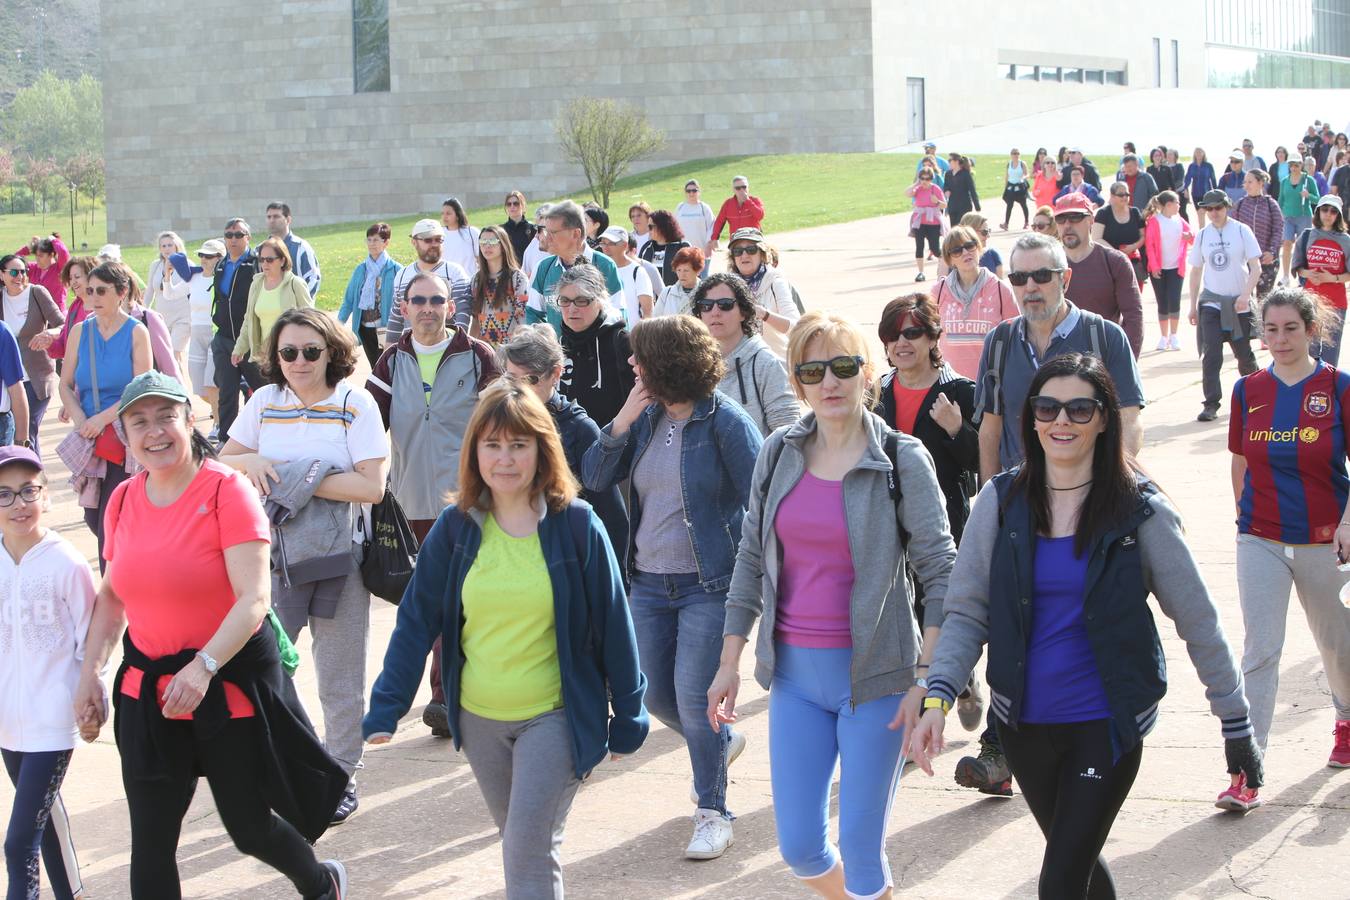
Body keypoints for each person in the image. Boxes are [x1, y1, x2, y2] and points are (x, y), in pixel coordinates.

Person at [908, 352, 1262, 897]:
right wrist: (938, 694)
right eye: (1047, 408)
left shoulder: (1140, 511)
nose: (1061, 421)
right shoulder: (999, 503)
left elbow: (1198, 621)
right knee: (1080, 867)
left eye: (1079, 408)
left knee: (1059, 881)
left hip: (1107, 726)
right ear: (1031, 418)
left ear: (1103, 418)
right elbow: (966, 611)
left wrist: (1235, 723)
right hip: (1024, 726)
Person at [365, 377, 648, 899]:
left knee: (525, 850)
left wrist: (629, 713)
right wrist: (388, 702)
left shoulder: (577, 526)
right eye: (492, 444)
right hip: (478, 719)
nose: (505, 458)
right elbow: (416, 620)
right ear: (474, 451)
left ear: (542, 450)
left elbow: (613, 623)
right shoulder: (455, 528)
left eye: (519, 444)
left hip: (554, 714)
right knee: (527, 846)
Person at [73, 370, 350, 900]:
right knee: (151, 839)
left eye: (165, 417)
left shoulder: (227, 490)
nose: (154, 432)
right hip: (150, 690)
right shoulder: (123, 500)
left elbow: (253, 599)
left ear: (188, 420)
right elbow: (112, 595)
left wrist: (202, 667)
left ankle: (321, 882)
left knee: (249, 828)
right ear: (124, 436)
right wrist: (91, 672)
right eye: (139, 422)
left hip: (225, 686)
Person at [706, 310, 955, 899]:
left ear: (866, 372)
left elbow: (942, 574)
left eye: (844, 366)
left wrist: (931, 679)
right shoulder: (778, 452)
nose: (830, 382)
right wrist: (728, 662)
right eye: (813, 370)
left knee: (864, 856)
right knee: (798, 846)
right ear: (797, 382)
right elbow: (748, 558)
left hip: (878, 680)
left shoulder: (901, 457)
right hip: (794, 677)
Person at [583, 314, 763, 861]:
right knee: (653, 694)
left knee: (693, 696)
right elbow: (592, 476)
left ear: (668, 362)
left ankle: (713, 811)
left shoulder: (726, 423)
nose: (631, 365)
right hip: (647, 583)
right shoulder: (643, 417)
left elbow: (764, 498)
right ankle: (718, 745)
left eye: (640, 358)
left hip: (709, 584)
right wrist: (620, 421)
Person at [221, 307, 389, 826]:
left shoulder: (354, 403)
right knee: (264, 666)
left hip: (341, 561)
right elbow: (223, 462)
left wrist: (299, 477)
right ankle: (293, 759)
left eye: (310, 351)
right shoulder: (264, 403)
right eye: (287, 351)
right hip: (274, 560)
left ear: (331, 353)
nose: (298, 361)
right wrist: (249, 463)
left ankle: (340, 775)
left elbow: (371, 486)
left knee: (340, 679)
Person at [366, 271, 499, 737]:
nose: (427, 308)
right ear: (404, 307)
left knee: (458, 601)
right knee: (420, 605)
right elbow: (365, 428)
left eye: (436, 300)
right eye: (418, 300)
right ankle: (424, 693)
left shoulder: (477, 356)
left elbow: (500, 424)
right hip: (407, 505)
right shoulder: (390, 361)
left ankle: (445, 696)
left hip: (465, 503)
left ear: (450, 306)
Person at [1229, 287, 1350, 791]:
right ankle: (1247, 768)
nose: (1280, 339)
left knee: (1336, 647)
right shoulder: (1247, 390)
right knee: (1261, 651)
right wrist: (1245, 519)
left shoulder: (1339, 388)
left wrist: (1347, 524)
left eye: (1291, 329)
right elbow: (1239, 463)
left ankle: (1345, 719)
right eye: (1271, 329)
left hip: (1328, 540)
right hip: (1260, 537)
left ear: (1312, 330)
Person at [0, 444, 94, 900]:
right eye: (4, 494)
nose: (18, 504)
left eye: (27, 492)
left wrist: (89, 696)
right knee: (44, 816)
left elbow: (92, 641)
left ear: (45, 494)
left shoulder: (66, 563)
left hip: (53, 724)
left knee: (19, 844)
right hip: (8, 724)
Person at [497, 324, 630, 562]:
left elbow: (611, 516)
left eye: (531, 379)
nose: (519, 389)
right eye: (511, 378)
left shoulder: (579, 428)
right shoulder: (495, 422)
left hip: (567, 558)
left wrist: (614, 584)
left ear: (556, 374)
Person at [58, 261, 152, 566]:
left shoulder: (137, 332)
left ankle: (113, 596)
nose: (93, 297)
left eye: (101, 291)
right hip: (91, 441)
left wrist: (103, 419)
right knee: (93, 515)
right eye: (89, 291)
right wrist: (82, 421)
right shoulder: (79, 331)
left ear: (121, 292)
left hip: (125, 439)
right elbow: (65, 385)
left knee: (110, 520)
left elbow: (141, 388)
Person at [877, 294, 979, 541]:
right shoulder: (876, 392)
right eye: (893, 335)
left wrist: (957, 429)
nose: (901, 342)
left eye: (912, 334)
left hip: (944, 527)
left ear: (933, 338)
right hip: (887, 525)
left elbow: (984, 463)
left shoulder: (963, 392)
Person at [690, 272, 799, 436]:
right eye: (706, 305)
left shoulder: (767, 364)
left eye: (725, 304)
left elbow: (789, 434)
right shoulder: (694, 364)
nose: (715, 312)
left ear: (744, 312)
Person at [1188, 189, 1262, 422]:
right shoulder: (1202, 235)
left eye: (1217, 208)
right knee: (1212, 354)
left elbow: (1255, 267)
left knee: (1244, 355)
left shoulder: (1242, 230)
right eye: (1208, 209)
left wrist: (1245, 295)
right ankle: (1211, 402)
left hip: (1238, 303)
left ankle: (1257, 399)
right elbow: (1196, 270)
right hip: (1212, 302)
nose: (1213, 213)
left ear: (1226, 207)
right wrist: (1192, 306)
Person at [1055, 193, 1145, 358]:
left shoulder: (1115, 262)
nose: (1067, 224)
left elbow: (1133, 317)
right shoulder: (1048, 265)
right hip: (1058, 364)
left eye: (1075, 217)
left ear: (1091, 219)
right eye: (1061, 219)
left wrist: (1126, 362)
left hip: (1104, 359)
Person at [930, 226, 1017, 381]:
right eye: (957, 250)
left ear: (979, 247)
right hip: (950, 383)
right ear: (950, 259)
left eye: (970, 246)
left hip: (991, 383)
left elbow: (1016, 337)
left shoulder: (1000, 289)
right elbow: (928, 338)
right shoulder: (938, 291)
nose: (965, 253)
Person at [553, 264, 634, 429]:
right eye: (565, 301)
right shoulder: (556, 347)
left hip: (614, 447)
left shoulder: (623, 343)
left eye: (582, 300)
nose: (572, 309)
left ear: (599, 301)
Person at [525, 201, 623, 335]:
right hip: (556, 354)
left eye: (552, 232)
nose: (546, 238)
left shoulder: (605, 265)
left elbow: (618, 315)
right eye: (545, 232)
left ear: (576, 234)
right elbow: (533, 315)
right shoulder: (543, 267)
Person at [0, 253, 63, 456]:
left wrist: (48, 333)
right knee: (13, 433)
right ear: (2, 275)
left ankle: (33, 478)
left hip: (37, 376)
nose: (19, 276)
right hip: (9, 380)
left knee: (29, 431)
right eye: (13, 272)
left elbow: (62, 324)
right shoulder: (1, 298)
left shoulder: (37, 293)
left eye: (23, 272)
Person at [167, 240, 224, 434]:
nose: (204, 259)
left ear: (220, 258)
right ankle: (225, 405)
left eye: (209, 256)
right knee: (200, 387)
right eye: (201, 255)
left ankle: (219, 424)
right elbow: (170, 295)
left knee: (211, 383)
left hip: (216, 332)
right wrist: (167, 275)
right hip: (196, 332)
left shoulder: (224, 278)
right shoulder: (194, 278)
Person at [232, 238, 314, 370]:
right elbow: (249, 320)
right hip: (265, 356)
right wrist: (239, 348)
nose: (265, 264)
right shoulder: (256, 284)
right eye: (261, 259)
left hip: (290, 354)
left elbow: (311, 320)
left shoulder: (295, 284)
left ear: (282, 260)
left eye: (269, 259)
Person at [211, 217, 261, 437]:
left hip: (249, 339)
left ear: (248, 238)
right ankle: (226, 438)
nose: (233, 239)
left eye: (239, 235)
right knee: (227, 392)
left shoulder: (257, 262)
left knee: (262, 389)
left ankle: (266, 434)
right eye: (229, 235)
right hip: (223, 339)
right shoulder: (221, 265)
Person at [386, 219, 473, 341]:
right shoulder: (402, 275)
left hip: (447, 348)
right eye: (427, 240)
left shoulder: (455, 272)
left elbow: (463, 313)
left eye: (438, 239)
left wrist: (457, 344)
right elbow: (396, 318)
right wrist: (389, 348)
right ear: (414, 242)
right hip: (411, 351)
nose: (434, 244)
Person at [1292, 194, 1350, 367]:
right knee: (1310, 351)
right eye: (1324, 209)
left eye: (1333, 211)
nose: (1328, 214)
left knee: (1331, 355)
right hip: (1310, 301)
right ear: (1318, 212)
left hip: (1336, 303)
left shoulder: (1346, 240)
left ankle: (1329, 390)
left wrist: (1333, 278)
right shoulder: (1307, 236)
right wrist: (1308, 274)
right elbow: (1298, 268)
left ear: (1338, 215)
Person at [725, 228, 800, 359]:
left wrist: (765, 315)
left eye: (751, 250)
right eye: (738, 251)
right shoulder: (726, 285)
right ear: (733, 257)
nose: (744, 255)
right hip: (740, 364)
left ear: (762, 254)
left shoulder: (775, 282)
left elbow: (796, 327)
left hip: (775, 362)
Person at [337, 222, 401, 368]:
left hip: (387, 329)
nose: (371, 244)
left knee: (387, 367)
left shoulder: (396, 270)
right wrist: (337, 325)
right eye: (369, 239)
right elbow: (349, 300)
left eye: (376, 240)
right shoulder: (361, 270)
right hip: (365, 329)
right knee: (375, 367)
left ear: (386, 242)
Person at [1143, 191, 1194, 351]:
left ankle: (1174, 334)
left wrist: (1189, 235)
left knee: (1174, 300)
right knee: (1162, 302)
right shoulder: (1154, 221)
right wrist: (1154, 265)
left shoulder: (1179, 220)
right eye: (1177, 203)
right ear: (1168, 205)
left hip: (1176, 267)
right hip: (1159, 269)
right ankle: (1164, 336)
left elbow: (1193, 235)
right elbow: (1149, 245)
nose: (1179, 206)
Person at [468, 224, 531, 347]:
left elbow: (524, 317)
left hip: (513, 350)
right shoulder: (476, 280)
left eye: (492, 241)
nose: (487, 245)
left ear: (503, 245)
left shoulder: (517, 278)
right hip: (485, 352)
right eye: (483, 241)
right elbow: (475, 319)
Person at [1233, 169, 1285, 303]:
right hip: (1245, 261)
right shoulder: (1240, 204)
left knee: (1263, 301)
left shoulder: (1271, 204)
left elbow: (1278, 229)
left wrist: (1272, 252)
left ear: (1261, 183)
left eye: (1250, 182)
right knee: (1245, 300)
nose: (1246, 185)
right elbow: (1233, 230)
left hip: (1266, 261)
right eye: (1245, 182)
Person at [146, 231, 192, 378]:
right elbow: (149, 291)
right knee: (164, 357)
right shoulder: (155, 265)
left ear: (177, 246)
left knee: (174, 353)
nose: (167, 249)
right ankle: (172, 390)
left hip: (183, 318)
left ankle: (182, 393)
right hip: (162, 319)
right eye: (163, 246)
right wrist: (142, 310)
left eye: (170, 245)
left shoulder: (188, 264)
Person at [1092, 181, 1149, 290]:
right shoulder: (1103, 213)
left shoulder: (1135, 212)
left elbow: (1143, 235)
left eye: (1127, 194)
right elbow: (1096, 238)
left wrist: (1133, 247)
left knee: (1135, 295)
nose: (1124, 197)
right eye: (1121, 195)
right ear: (1112, 196)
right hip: (1110, 262)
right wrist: (1116, 253)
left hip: (1134, 262)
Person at [266, 202, 321, 299]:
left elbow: (313, 278)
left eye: (276, 217)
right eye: (269, 217)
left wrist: (300, 303)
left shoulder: (301, 247)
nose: (272, 220)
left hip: (296, 310)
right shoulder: (261, 249)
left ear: (288, 220)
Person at [600, 226, 654, 324]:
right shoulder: (598, 269)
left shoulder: (638, 272)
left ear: (625, 245)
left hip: (632, 335)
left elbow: (648, 311)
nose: (606, 248)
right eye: (603, 243)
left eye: (611, 243)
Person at [1279, 159, 1320, 284]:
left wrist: (1308, 195)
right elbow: (1281, 199)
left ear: (1301, 165)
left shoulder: (1309, 180)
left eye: (1296, 165)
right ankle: (1286, 276)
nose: (1293, 168)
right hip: (1288, 217)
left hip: (1304, 216)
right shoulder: (1285, 181)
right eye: (1291, 165)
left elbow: (1317, 199)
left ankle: (1302, 275)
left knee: (1303, 246)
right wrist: (1279, 214)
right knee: (1287, 244)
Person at [708, 176, 766, 255]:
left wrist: (748, 201)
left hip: (754, 242)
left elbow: (760, 215)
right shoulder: (728, 204)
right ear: (733, 190)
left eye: (744, 187)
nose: (742, 190)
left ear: (748, 188)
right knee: (736, 266)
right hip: (736, 243)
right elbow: (719, 221)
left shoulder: (755, 201)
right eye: (738, 188)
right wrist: (714, 238)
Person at [908, 167, 947, 282]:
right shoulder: (918, 189)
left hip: (933, 222)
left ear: (931, 178)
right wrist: (916, 183)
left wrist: (937, 202)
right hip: (919, 222)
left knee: (934, 248)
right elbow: (907, 193)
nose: (925, 181)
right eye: (922, 178)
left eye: (927, 178)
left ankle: (945, 265)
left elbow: (944, 205)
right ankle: (921, 273)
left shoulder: (936, 189)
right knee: (919, 247)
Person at [15, 234, 70, 313]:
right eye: (36, 255)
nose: (37, 258)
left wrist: (54, 240)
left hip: (56, 314)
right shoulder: (33, 268)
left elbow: (63, 252)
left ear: (51, 255)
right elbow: (15, 261)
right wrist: (28, 248)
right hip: (36, 314)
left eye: (41, 256)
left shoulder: (60, 268)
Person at [637, 211, 690, 288]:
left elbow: (693, 275)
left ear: (662, 227)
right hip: (651, 298)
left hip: (676, 297)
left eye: (651, 227)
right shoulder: (646, 247)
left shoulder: (682, 247)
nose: (648, 230)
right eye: (648, 227)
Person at [652, 247, 705, 318]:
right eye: (679, 270)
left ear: (698, 271)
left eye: (686, 270)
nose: (682, 274)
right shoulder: (667, 293)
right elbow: (655, 320)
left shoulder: (706, 293)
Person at [676, 181, 716, 272]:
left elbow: (712, 227)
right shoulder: (680, 207)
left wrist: (709, 246)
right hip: (684, 252)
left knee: (703, 281)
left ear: (699, 192)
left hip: (702, 252)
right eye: (688, 191)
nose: (691, 193)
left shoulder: (704, 208)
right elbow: (675, 227)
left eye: (694, 190)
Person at [441, 197, 481, 277]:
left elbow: (481, 258)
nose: (444, 217)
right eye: (442, 213)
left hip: (469, 281)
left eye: (448, 213)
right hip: (446, 282)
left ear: (457, 215)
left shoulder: (472, 232)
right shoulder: (440, 233)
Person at [501, 190, 536, 265]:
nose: (512, 206)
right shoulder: (500, 230)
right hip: (507, 271)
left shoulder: (533, 229)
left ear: (522, 205)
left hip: (528, 271)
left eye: (516, 203)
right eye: (509, 204)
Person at [944, 155, 980, 227]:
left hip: (964, 205)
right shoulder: (948, 174)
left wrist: (977, 205)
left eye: (950, 160)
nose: (949, 162)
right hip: (952, 205)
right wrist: (946, 190)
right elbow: (946, 186)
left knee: (962, 228)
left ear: (956, 161)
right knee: (954, 229)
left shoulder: (965, 174)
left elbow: (972, 189)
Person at [521, 203, 553, 280]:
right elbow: (523, 278)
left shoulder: (568, 251)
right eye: (536, 228)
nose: (536, 235)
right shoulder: (533, 246)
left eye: (541, 229)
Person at [1001, 148, 1030, 230]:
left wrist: (1023, 178)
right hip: (1011, 187)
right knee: (1009, 205)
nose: (1015, 155)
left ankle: (1026, 222)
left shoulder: (1022, 163)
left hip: (1020, 187)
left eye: (1017, 153)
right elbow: (1007, 176)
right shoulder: (1009, 164)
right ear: (1011, 155)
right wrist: (1005, 187)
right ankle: (1006, 224)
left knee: (1023, 205)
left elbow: (1027, 174)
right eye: (1014, 153)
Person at [1184, 148, 1218, 213]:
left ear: (1203, 154)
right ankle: (1202, 224)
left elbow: (1213, 179)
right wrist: (1185, 188)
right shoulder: (1192, 166)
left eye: (1200, 152)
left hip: (1207, 193)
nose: (1198, 154)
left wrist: (1216, 191)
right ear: (1194, 154)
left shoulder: (1208, 166)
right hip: (1195, 193)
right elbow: (1187, 178)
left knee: (1208, 212)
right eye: (1196, 152)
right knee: (1200, 213)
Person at [1166, 148, 1189, 221]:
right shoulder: (1164, 167)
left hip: (1179, 193)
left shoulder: (1179, 166)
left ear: (1175, 156)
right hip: (1167, 194)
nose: (1168, 156)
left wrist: (1172, 189)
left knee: (1182, 212)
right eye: (1167, 154)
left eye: (1171, 154)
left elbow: (1180, 180)